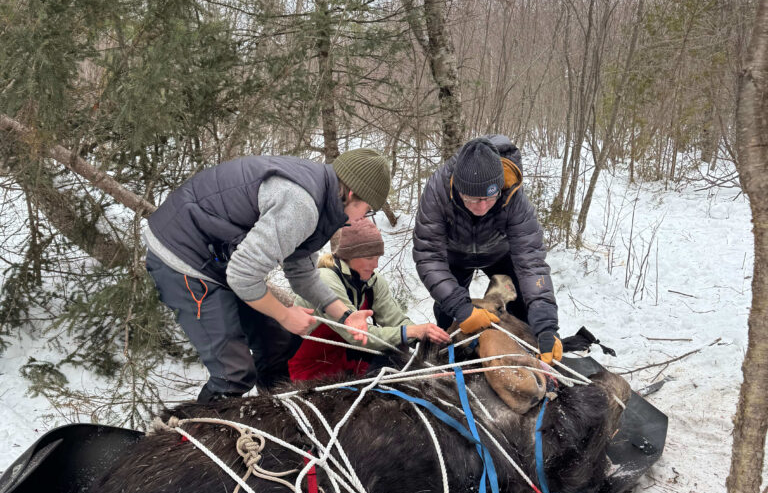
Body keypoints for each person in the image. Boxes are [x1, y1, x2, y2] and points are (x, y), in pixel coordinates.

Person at [144, 148, 391, 402]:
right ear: (351, 194)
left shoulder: (324, 202)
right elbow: (243, 276)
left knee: (279, 347)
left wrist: (347, 315)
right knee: (233, 374)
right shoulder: (301, 204)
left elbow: (301, 273)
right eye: (367, 209)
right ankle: (195, 437)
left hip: (219, 257)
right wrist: (285, 315)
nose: (362, 218)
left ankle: (273, 422)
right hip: (182, 255)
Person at [412, 135, 562, 363]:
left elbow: (531, 263)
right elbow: (429, 256)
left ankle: (531, 354)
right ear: (457, 188)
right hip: (456, 255)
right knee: (448, 312)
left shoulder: (513, 195)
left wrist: (546, 324)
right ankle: (446, 362)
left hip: (499, 253)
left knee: (524, 309)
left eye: (489, 198)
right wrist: (461, 308)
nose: (481, 207)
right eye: (472, 199)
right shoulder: (438, 191)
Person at [288, 218, 451, 381]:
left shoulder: (373, 281)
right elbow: (356, 335)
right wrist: (409, 332)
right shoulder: (324, 279)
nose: (376, 264)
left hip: (345, 360)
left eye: (378, 257)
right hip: (309, 370)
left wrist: (425, 338)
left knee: (398, 361)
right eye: (369, 257)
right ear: (349, 255)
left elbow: (396, 320)